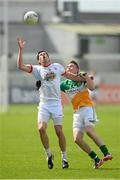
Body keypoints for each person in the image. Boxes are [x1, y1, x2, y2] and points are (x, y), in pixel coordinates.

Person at [17, 37, 84, 169]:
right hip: (44, 105)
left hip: (56, 104)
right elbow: (20, 66)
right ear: (38, 60)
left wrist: (83, 78)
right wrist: (21, 49)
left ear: (49, 57)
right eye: (40, 55)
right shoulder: (36, 69)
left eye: (44, 54)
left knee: (59, 131)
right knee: (41, 129)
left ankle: (64, 157)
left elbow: (70, 76)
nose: (43, 56)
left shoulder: (57, 67)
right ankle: (49, 154)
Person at [60, 60, 112, 169]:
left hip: (88, 108)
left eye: (72, 66)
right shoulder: (64, 84)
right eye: (68, 67)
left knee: (89, 131)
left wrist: (87, 76)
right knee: (77, 139)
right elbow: (54, 89)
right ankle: (96, 159)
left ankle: (106, 153)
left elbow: (92, 87)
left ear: (77, 69)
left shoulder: (82, 77)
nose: (69, 68)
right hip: (76, 113)